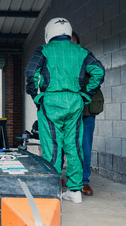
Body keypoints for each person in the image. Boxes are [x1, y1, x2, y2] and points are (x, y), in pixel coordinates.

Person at [25, 18, 105, 204]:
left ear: (49, 33)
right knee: (74, 146)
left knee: (52, 147)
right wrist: (86, 95)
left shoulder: (43, 50)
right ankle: (75, 190)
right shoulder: (81, 51)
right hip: (75, 103)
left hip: (51, 102)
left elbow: (30, 73)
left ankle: (53, 190)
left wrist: (35, 96)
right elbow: (99, 71)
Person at [72, 32, 104, 196]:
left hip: (85, 110)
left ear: (78, 43)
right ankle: (66, 179)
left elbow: (98, 73)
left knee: (85, 146)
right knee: (64, 145)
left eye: (72, 41)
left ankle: (84, 181)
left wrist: (86, 95)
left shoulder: (85, 56)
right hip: (68, 109)